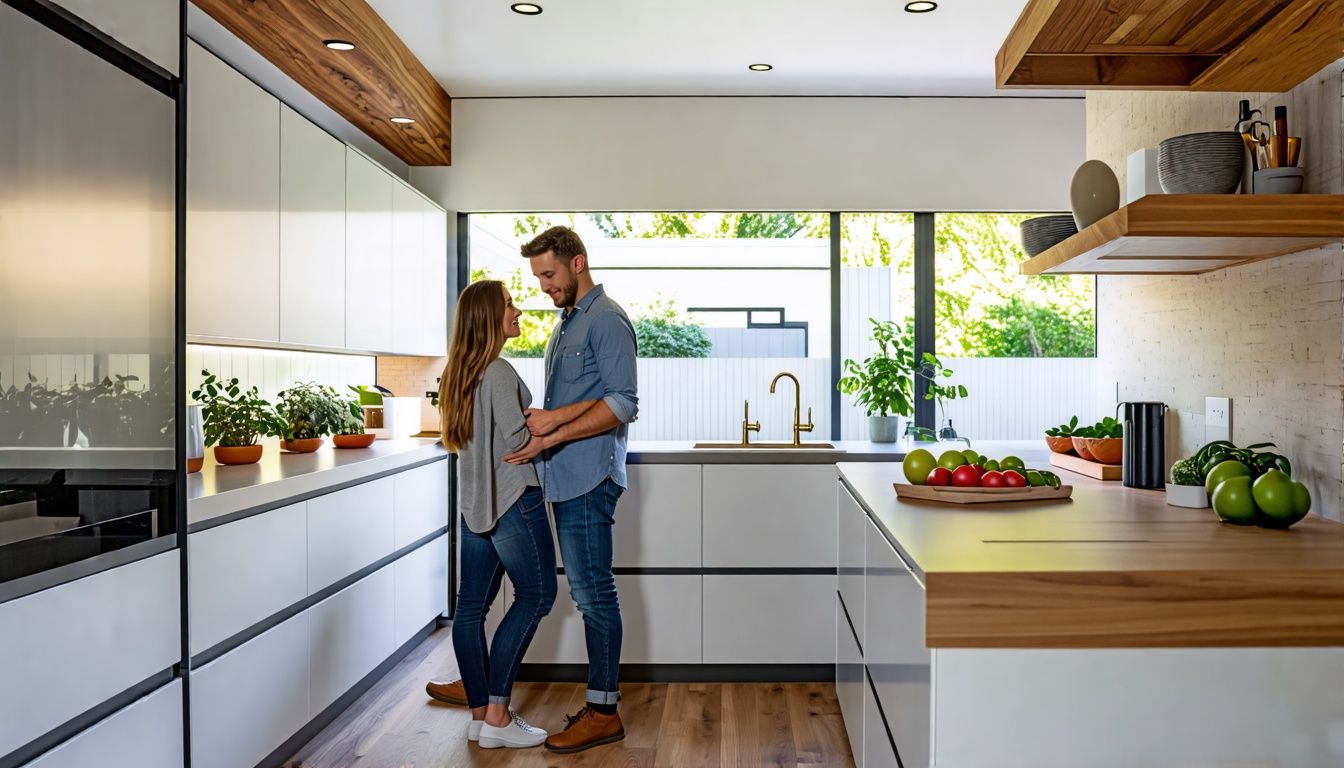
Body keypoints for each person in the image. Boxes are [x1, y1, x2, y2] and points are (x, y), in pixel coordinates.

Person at [502, 225, 639, 754]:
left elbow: (623, 402)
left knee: (592, 594)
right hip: (564, 476)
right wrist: (544, 437)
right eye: (537, 276)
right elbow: (589, 397)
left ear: (577, 263)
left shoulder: (606, 321)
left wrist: (554, 423)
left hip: (589, 478)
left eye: (549, 274)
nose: (542, 285)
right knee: (588, 593)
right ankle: (600, 702)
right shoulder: (567, 322)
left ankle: (604, 711)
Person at [432, 280, 557, 750]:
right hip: (512, 502)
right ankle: (500, 718)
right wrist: (553, 428)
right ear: (488, 317)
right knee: (538, 593)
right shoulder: (499, 371)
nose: (518, 309)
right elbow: (521, 440)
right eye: (508, 304)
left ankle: (481, 715)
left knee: (470, 610)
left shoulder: (457, 375)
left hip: (473, 509)